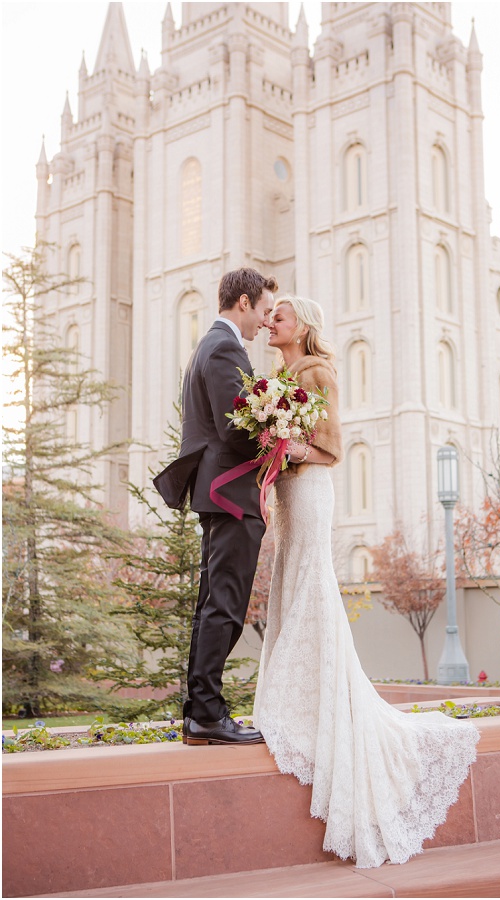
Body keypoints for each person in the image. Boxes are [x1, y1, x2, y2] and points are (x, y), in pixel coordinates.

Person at [252, 295, 479, 867]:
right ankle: (298, 693)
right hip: (287, 491)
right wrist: (268, 446)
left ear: (302, 325)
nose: (270, 322)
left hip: (308, 492)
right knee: (292, 579)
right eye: (270, 315)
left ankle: (309, 699)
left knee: (310, 582)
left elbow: (328, 448)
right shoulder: (281, 375)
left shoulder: (317, 371)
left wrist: (283, 443)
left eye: (279, 316)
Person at [153, 267, 276, 745]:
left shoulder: (208, 345)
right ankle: (207, 712)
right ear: (242, 303)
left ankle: (201, 712)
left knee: (214, 603)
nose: (264, 321)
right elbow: (235, 428)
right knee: (224, 604)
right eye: (263, 310)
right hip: (229, 493)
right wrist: (278, 445)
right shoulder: (225, 347)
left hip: (219, 493)